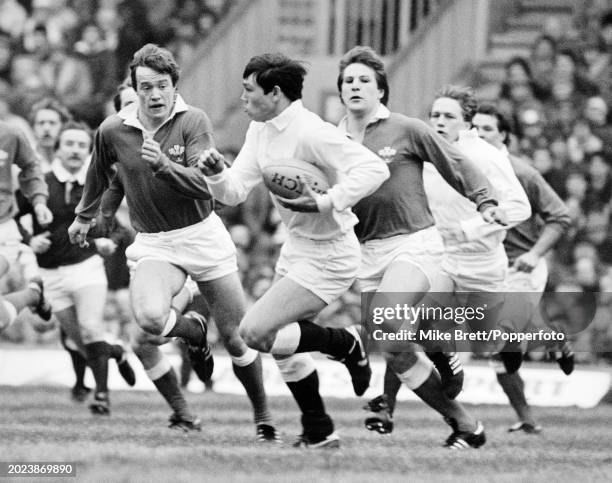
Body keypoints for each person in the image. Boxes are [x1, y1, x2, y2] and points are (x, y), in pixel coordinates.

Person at [68, 44, 277, 441]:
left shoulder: (192, 121)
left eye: (161, 86)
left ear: (174, 86)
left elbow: (206, 186)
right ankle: (194, 333)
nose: (154, 95)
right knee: (147, 322)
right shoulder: (113, 129)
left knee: (237, 337)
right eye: (145, 87)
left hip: (201, 236)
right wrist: (84, 216)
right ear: (134, 88)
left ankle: (264, 419)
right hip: (156, 243)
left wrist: (164, 166)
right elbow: (100, 172)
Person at [198, 52, 389, 449]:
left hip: (332, 254)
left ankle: (346, 344)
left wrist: (328, 201)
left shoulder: (311, 131)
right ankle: (319, 430)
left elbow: (375, 169)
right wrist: (217, 172)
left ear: (276, 93)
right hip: (298, 248)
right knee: (282, 349)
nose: (243, 96)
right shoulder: (261, 130)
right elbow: (233, 192)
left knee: (253, 331)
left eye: (249, 89)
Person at [337, 46, 507, 448]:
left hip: (413, 243)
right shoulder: (332, 139)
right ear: (340, 92)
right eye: (348, 81)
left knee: (386, 318)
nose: (355, 86)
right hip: (367, 253)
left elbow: (457, 162)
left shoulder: (406, 128)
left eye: (364, 80)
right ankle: (465, 424)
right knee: (395, 347)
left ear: (381, 91)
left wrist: (484, 200)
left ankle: (402, 355)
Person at [17, 121, 137, 415]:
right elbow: (10, 217)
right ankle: (116, 353)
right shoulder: (38, 184)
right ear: (57, 150)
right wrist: (30, 239)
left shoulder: (96, 186)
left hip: (87, 267)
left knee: (90, 326)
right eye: (69, 143)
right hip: (51, 274)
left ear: (89, 153)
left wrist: (111, 242)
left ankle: (102, 396)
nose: (75, 150)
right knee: (80, 342)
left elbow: (120, 229)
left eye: (82, 145)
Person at [472, 102, 573, 433]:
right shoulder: (459, 169)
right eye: (474, 127)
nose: (479, 134)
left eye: (488, 128)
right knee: (496, 352)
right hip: (484, 268)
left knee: (502, 338)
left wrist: (535, 254)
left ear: (504, 135)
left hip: (520, 266)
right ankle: (527, 420)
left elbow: (560, 217)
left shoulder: (524, 173)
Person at [0, 120, 53, 330]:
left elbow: (31, 166)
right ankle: (33, 295)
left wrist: (39, 201)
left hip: (2, 230)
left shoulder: (10, 133)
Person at [29, 97, 73, 172]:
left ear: (63, 127)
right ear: (33, 129)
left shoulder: (73, 160)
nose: (46, 128)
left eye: (52, 123)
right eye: (41, 123)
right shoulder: (26, 160)